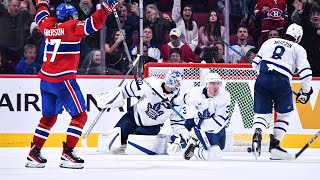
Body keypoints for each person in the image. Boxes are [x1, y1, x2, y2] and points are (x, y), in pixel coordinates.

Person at [25, 0, 119, 169]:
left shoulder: (48, 25)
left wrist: (42, 3)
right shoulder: (72, 27)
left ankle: (34, 152)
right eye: (74, 15)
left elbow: (40, 15)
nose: (76, 17)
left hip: (46, 79)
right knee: (80, 116)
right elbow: (92, 24)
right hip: (63, 80)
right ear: (69, 16)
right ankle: (68, 152)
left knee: (48, 117)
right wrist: (106, 8)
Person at [251, 23, 313, 160]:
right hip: (281, 81)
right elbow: (306, 73)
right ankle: (275, 145)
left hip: (262, 78)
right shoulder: (298, 48)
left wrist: (267, 76)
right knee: (285, 114)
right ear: (298, 38)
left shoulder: (269, 41)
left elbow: (254, 64)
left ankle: (257, 132)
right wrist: (305, 91)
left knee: (262, 114)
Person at [99, 70, 184, 154]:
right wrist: (113, 97)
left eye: (178, 83)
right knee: (113, 142)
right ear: (169, 80)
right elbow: (129, 90)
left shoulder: (177, 101)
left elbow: (177, 123)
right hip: (133, 118)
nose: (177, 86)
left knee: (136, 143)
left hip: (152, 127)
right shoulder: (151, 83)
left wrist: (178, 139)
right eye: (175, 83)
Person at [170, 72, 231, 160]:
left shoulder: (224, 97)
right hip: (203, 129)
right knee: (215, 155)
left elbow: (218, 122)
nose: (216, 86)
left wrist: (195, 122)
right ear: (207, 84)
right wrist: (172, 102)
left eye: (218, 83)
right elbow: (185, 98)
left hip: (218, 127)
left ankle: (195, 143)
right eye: (213, 83)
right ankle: (195, 151)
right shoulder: (196, 93)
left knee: (220, 147)